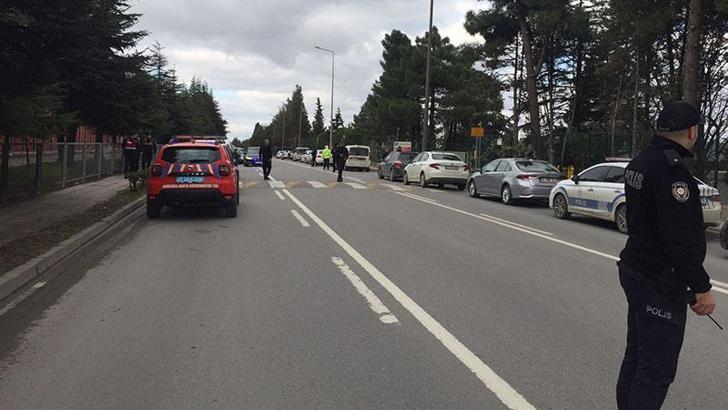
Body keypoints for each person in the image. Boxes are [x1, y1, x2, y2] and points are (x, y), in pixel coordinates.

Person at [616, 100, 716, 410]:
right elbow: (679, 239)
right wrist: (701, 287)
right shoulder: (672, 174)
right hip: (660, 281)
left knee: (637, 356)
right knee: (655, 369)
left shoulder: (641, 162)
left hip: (636, 269)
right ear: (691, 130)